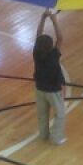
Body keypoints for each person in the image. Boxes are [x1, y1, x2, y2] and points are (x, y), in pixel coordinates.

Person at [33, 9, 67, 145]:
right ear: (50, 46)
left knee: (42, 114)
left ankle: (43, 134)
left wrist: (43, 18)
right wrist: (53, 19)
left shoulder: (36, 54)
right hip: (53, 91)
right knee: (60, 114)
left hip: (39, 89)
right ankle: (56, 137)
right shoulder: (53, 55)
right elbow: (60, 38)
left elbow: (38, 35)